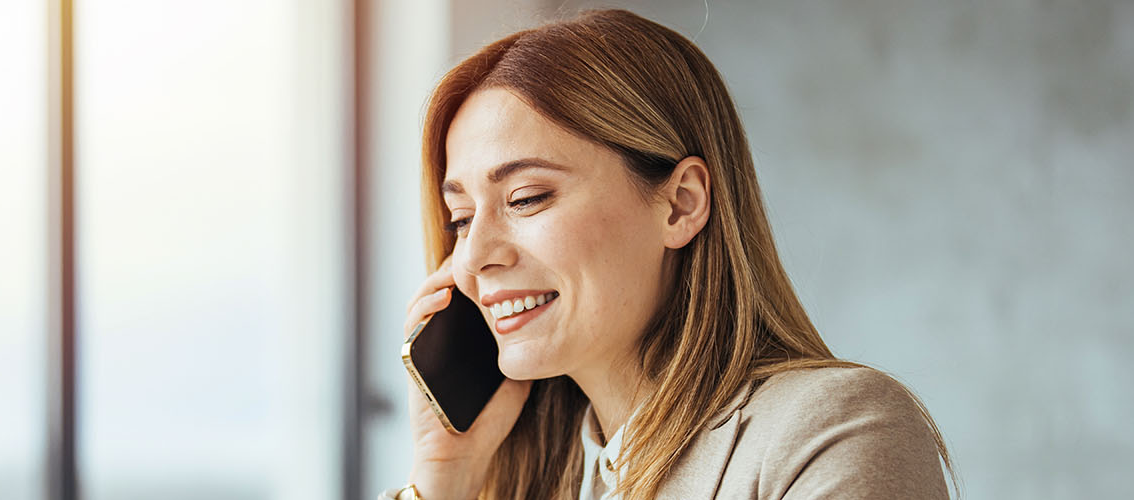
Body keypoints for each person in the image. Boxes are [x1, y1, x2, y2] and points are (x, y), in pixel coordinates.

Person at [383, 9, 954, 500]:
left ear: (681, 204)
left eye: (526, 198)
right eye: (461, 218)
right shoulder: (548, 476)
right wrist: (441, 480)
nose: (472, 257)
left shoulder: (836, 430)